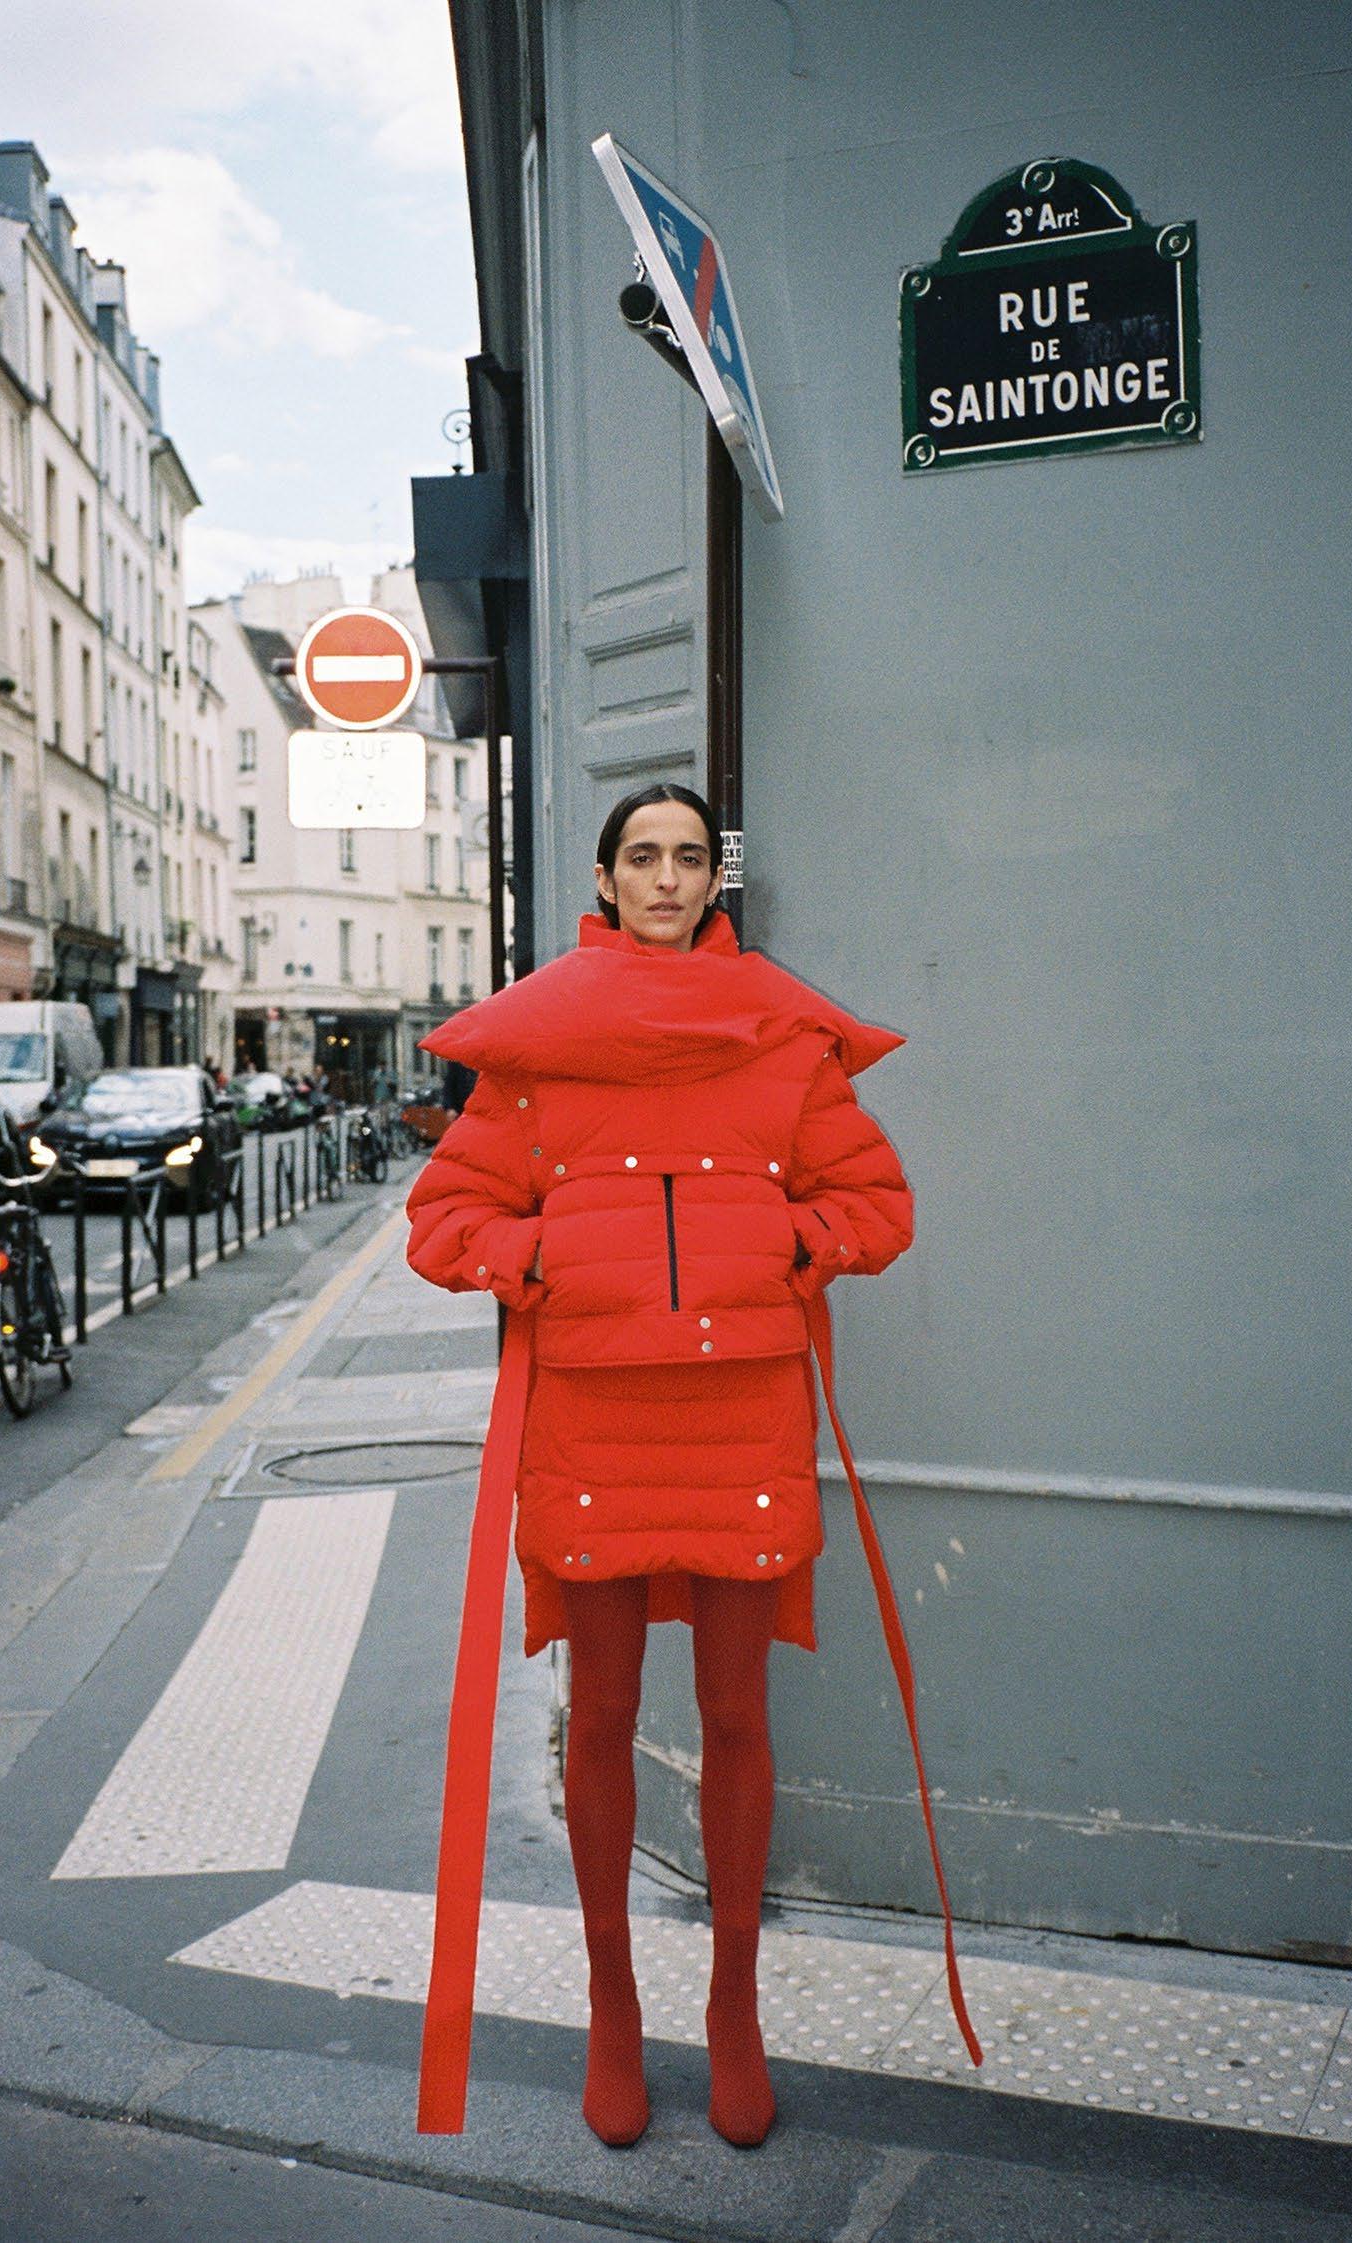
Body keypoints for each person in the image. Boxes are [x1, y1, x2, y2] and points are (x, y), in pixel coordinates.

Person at [404, 784, 982, 2148]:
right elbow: (445, 1219)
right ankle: (612, 2003)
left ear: (711, 880)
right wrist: (545, 1253)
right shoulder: (537, 1052)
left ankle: (734, 2006)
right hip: (592, 1431)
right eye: (639, 858)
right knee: (602, 1715)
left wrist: (788, 1244)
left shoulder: (780, 1041)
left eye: (685, 858)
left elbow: (875, 1203)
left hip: (740, 1425)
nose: (664, 878)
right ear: (604, 881)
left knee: (736, 1717)